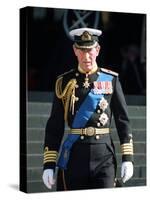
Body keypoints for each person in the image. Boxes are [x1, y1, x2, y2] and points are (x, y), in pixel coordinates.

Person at [42, 27, 134, 191]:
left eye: (90, 50)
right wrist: (49, 164)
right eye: (82, 50)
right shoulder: (63, 82)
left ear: (97, 50)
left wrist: (128, 158)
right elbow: (54, 125)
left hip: (104, 157)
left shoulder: (111, 80)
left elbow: (123, 121)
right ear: (75, 50)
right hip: (74, 157)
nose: (86, 56)